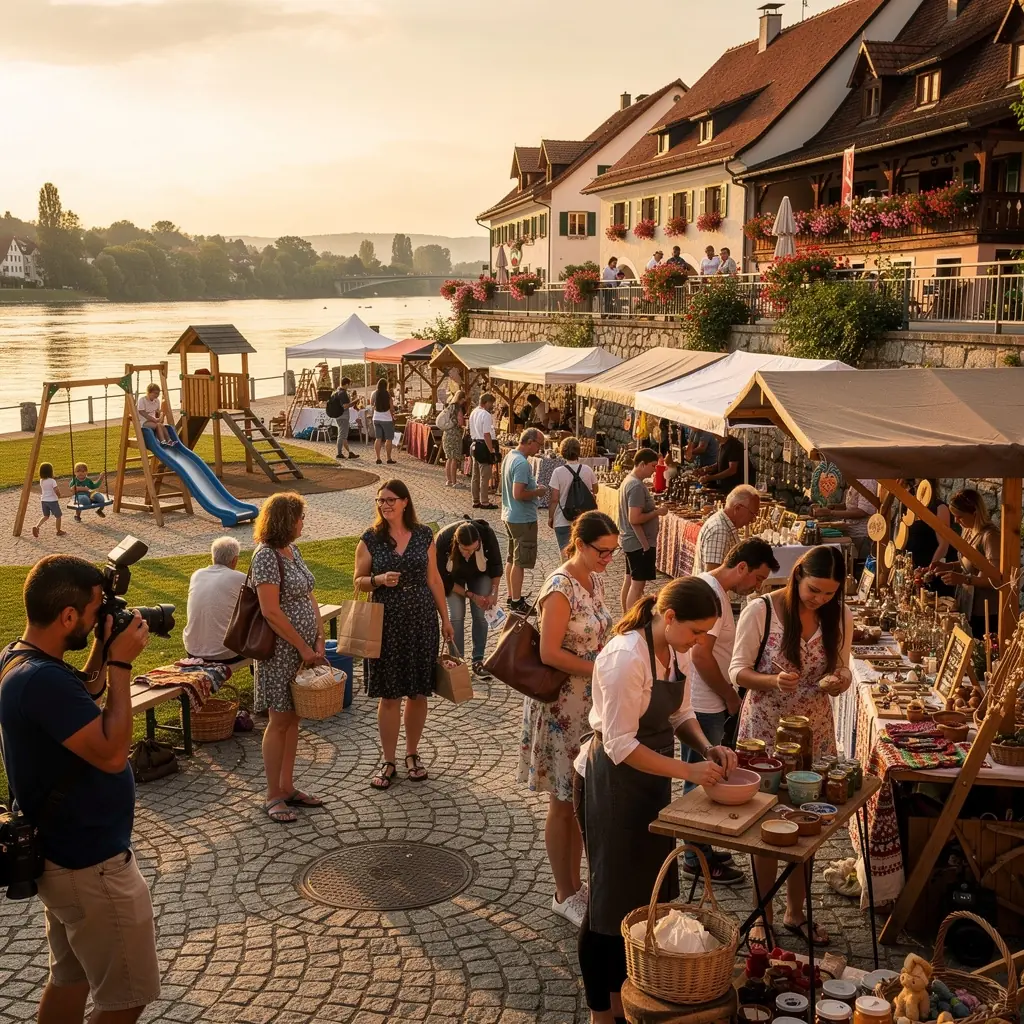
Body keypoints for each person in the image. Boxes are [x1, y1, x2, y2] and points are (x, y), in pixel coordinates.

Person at [0, 554, 158, 1023]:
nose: (97, 622)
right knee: (126, 997)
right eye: (93, 613)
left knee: (71, 978)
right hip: (90, 866)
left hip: (61, 858)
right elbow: (112, 754)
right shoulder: (42, 680)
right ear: (68, 616)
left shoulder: (19, 658)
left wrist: (103, 650)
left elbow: (81, 694)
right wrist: (121, 665)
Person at [574, 577, 736, 1023]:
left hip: (650, 780)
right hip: (612, 782)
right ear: (669, 617)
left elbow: (680, 713)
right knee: (608, 903)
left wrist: (707, 749)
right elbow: (620, 745)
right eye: (696, 631)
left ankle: (628, 994)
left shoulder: (676, 650)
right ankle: (601, 1012)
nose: (699, 641)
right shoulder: (626, 657)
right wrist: (688, 771)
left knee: (644, 898)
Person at [730, 545, 852, 946]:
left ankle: (796, 911)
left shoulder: (840, 615)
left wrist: (840, 680)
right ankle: (761, 915)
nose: (820, 599)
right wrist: (772, 681)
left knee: (807, 823)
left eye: (829, 593)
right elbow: (737, 671)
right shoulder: (761, 610)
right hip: (765, 731)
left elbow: (842, 666)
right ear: (797, 575)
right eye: (814, 590)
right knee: (766, 824)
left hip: (815, 731)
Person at [519, 511, 618, 929]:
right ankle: (564, 893)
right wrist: (599, 667)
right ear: (579, 544)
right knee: (562, 801)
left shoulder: (592, 579)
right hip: (561, 707)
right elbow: (548, 652)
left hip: (586, 706)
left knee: (580, 799)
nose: (608, 559)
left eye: (613, 552)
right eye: (602, 551)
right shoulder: (559, 587)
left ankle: (577, 886)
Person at [679, 539, 780, 885]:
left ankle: (702, 847)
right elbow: (700, 655)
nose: (758, 586)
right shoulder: (713, 595)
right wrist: (729, 696)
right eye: (757, 578)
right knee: (701, 778)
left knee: (708, 774)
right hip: (704, 702)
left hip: (707, 700)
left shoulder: (715, 590)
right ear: (741, 567)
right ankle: (694, 857)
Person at [354, 480, 454, 790]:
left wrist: (446, 619)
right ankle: (388, 760)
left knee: (418, 692)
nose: (384, 505)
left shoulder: (424, 535)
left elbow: (434, 579)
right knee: (390, 694)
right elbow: (358, 581)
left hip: (421, 619)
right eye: (380, 500)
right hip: (386, 622)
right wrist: (379, 579)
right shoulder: (370, 538)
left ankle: (412, 753)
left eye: (390, 500)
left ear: (405, 502)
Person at [250, 493, 327, 824]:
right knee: (279, 721)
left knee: (293, 720)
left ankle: (287, 786)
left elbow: (309, 595)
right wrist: (302, 647)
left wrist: (319, 637)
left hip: (303, 649)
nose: (303, 523)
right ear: (285, 520)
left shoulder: (292, 551)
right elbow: (270, 611)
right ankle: (272, 795)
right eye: (300, 517)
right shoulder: (266, 556)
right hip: (281, 653)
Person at [435, 518, 502, 675]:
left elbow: (496, 565)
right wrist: (469, 595)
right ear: (457, 543)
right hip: (453, 577)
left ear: (479, 542)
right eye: (465, 549)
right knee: (456, 616)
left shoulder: (487, 534)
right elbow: (443, 580)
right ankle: (457, 662)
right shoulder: (443, 540)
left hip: (480, 573)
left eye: (473, 549)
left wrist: (493, 593)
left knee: (480, 613)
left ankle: (478, 660)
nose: (469, 554)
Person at [934, 488, 1001, 640]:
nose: (956, 521)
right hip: (967, 606)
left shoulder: (990, 536)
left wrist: (963, 579)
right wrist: (948, 566)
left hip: (984, 612)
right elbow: (969, 564)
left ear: (975, 513)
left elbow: (996, 579)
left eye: (960, 517)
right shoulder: (970, 531)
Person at [501, 427, 547, 614]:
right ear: (530, 442)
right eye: (539, 444)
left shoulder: (510, 457)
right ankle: (516, 602)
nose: (540, 449)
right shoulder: (521, 463)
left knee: (512, 558)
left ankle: (512, 596)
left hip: (510, 514)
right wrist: (538, 492)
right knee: (520, 561)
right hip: (522, 518)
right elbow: (518, 493)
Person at [182, 536, 248, 663]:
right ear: (235, 560)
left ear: (213, 557)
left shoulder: (197, 575)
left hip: (192, 650)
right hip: (224, 653)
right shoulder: (240, 578)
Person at [618, 448, 667, 613]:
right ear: (642, 464)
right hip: (638, 543)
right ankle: (632, 620)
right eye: (653, 466)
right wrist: (657, 512)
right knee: (637, 585)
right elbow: (634, 518)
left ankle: (626, 616)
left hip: (631, 540)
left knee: (629, 580)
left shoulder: (629, 481)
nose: (654, 470)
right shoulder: (636, 486)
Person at [693, 484, 761, 575]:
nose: (753, 520)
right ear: (737, 508)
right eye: (752, 514)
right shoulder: (719, 531)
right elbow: (712, 577)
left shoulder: (724, 525)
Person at [548, 436, 599, 555]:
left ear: (562, 452)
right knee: (582, 554)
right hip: (583, 517)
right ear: (578, 451)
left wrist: (551, 517)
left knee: (566, 554)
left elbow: (554, 499)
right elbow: (595, 490)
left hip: (563, 518)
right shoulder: (587, 469)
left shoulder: (558, 472)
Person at [815, 479, 878, 562]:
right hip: (851, 531)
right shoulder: (856, 480)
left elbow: (863, 512)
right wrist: (833, 507)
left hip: (861, 534)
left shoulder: (866, 482)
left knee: (859, 565)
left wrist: (831, 513)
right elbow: (851, 506)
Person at [469, 392, 499, 510]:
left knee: (475, 475)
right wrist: (491, 450)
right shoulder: (485, 414)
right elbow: (486, 434)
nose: (492, 406)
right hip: (483, 445)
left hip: (475, 444)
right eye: (491, 403)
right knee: (485, 475)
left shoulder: (474, 412)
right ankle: (484, 501)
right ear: (486, 403)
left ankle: (475, 500)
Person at [440, 390, 468, 488]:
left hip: (447, 434)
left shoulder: (449, 407)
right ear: (462, 399)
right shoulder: (457, 408)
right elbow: (460, 422)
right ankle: (454, 482)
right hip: (454, 435)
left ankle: (449, 480)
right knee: (454, 459)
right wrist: (464, 425)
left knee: (449, 458)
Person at [32, 462, 65, 538]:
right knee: (58, 516)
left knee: (46, 516)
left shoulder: (41, 480)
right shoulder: (52, 481)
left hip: (44, 500)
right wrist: (59, 495)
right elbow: (56, 490)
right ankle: (58, 531)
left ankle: (37, 526)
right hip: (52, 501)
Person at [371, 377, 396, 466]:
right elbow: (391, 408)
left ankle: (378, 458)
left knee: (378, 438)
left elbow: (371, 404)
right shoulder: (388, 394)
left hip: (376, 418)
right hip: (386, 419)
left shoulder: (374, 393)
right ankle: (388, 458)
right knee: (388, 439)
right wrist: (393, 414)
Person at [332, 376, 358, 460]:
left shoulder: (337, 392)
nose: (349, 386)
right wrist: (355, 401)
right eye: (349, 384)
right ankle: (339, 453)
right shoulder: (343, 393)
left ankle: (350, 453)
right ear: (346, 384)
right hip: (343, 416)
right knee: (341, 435)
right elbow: (346, 406)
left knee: (343, 436)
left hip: (338, 416)